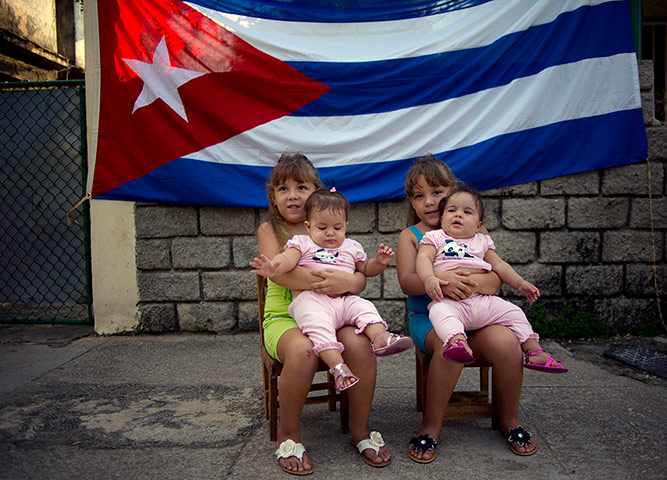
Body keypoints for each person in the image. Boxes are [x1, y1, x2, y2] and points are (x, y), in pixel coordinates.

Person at [254, 153, 392, 475]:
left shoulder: (331, 230)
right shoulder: (271, 230)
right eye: (283, 188)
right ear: (272, 196)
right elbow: (280, 275)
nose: (292, 195)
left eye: (301, 187)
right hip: (284, 317)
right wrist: (340, 281)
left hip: (334, 310)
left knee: (359, 345)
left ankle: (360, 429)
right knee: (303, 351)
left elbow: (359, 277)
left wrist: (353, 280)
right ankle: (288, 435)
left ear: (315, 190)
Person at [396, 154, 539, 461]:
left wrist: (474, 284)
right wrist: (442, 279)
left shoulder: (474, 229)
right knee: (450, 348)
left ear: (451, 189)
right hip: (431, 317)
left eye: (437, 193)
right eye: (420, 196)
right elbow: (408, 283)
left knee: (508, 344)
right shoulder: (412, 236)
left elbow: (494, 279)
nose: (430, 202)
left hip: (478, 312)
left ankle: (509, 421)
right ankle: (431, 426)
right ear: (411, 201)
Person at [252, 187, 413, 392]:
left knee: (363, 305)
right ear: (309, 226)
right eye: (322, 228)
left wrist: (380, 263)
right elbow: (287, 259)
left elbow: (365, 269)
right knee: (318, 326)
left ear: (346, 226)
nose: (330, 233)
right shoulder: (302, 242)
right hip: (312, 301)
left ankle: (381, 337)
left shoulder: (351, 246)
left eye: (337, 228)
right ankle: (339, 368)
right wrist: (274, 266)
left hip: (341, 301)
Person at [416, 184, 567, 372]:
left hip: (483, 302)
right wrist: (429, 278)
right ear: (442, 218)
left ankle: (534, 351)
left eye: (467, 212)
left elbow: (499, 265)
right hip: (451, 302)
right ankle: (457, 343)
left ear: (479, 225)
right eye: (451, 210)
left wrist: (520, 283)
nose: (458, 215)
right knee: (439, 312)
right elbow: (423, 258)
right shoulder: (435, 237)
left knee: (514, 312)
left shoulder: (482, 241)